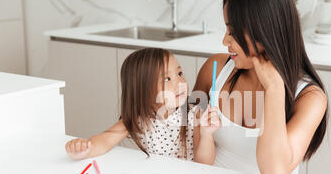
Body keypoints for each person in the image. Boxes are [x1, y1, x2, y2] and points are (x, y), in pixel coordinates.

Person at [192, 0, 328, 174]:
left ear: (265, 33)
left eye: (233, 32)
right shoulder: (216, 69)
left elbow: (273, 173)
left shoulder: (310, 98)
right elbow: (189, 144)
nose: (224, 40)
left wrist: (274, 88)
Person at [65, 48, 220, 163]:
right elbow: (105, 140)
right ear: (143, 89)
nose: (180, 83)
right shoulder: (138, 120)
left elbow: (204, 164)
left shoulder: (194, 114)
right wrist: (84, 148)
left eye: (179, 74)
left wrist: (207, 135)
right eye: (167, 79)